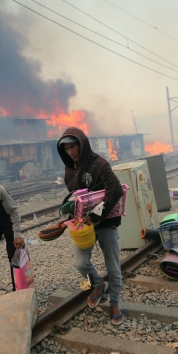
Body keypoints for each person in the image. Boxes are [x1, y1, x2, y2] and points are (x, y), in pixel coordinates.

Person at [57, 127, 126, 325]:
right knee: (80, 263)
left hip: (106, 221)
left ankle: (115, 303)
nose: (71, 152)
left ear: (82, 143)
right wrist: (67, 218)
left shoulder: (99, 163)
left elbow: (116, 189)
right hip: (83, 225)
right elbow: (75, 198)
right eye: (67, 148)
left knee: (113, 267)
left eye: (74, 146)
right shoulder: (69, 169)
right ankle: (97, 285)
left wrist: (95, 216)